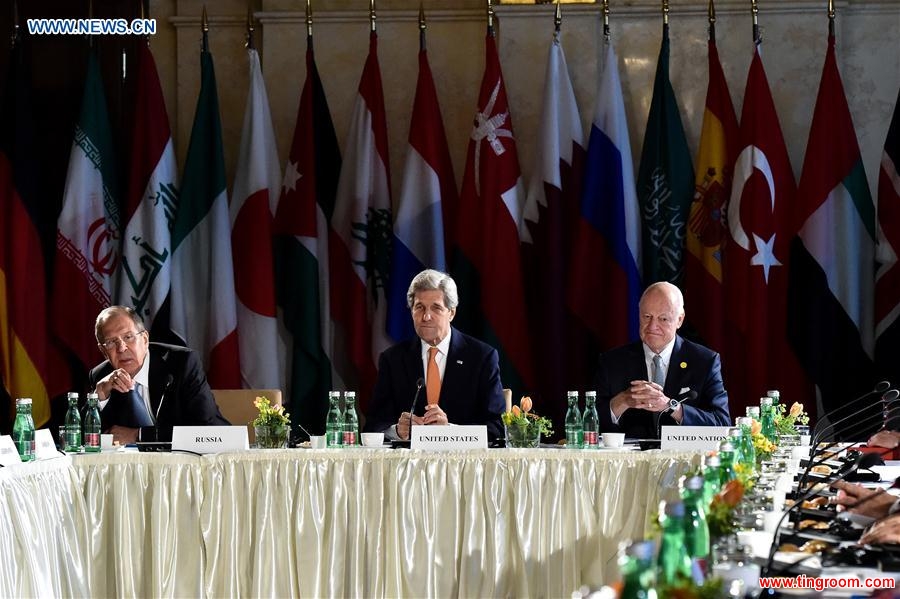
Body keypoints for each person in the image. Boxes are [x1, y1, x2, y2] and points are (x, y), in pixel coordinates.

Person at [365, 269, 505, 441]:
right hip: (408, 465)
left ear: (451, 313)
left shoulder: (482, 357)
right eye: (419, 307)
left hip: (463, 463)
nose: (426, 316)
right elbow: (373, 425)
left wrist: (450, 431)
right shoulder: (392, 359)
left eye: (436, 308)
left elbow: (497, 427)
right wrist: (397, 431)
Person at [593, 281, 731, 439]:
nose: (652, 326)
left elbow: (722, 424)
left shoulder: (704, 361)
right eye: (647, 316)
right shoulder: (612, 361)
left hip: (685, 461)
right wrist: (622, 401)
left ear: (679, 320)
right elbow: (587, 425)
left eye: (663, 319)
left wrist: (672, 407)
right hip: (628, 462)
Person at [89, 306, 229, 444]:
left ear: (144, 339)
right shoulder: (101, 377)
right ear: (103, 350)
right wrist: (99, 396)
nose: (121, 348)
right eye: (111, 342)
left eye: (128, 337)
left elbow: (206, 429)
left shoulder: (181, 364)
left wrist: (138, 435)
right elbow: (80, 438)